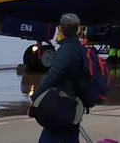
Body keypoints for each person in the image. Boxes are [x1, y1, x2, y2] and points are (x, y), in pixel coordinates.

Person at [32, 14, 86, 143]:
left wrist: (35, 97)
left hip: (63, 104)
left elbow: (52, 77)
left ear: (61, 29)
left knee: (48, 138)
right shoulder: (78, 48)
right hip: (74, 104)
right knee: (70, 137)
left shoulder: (66, 50)